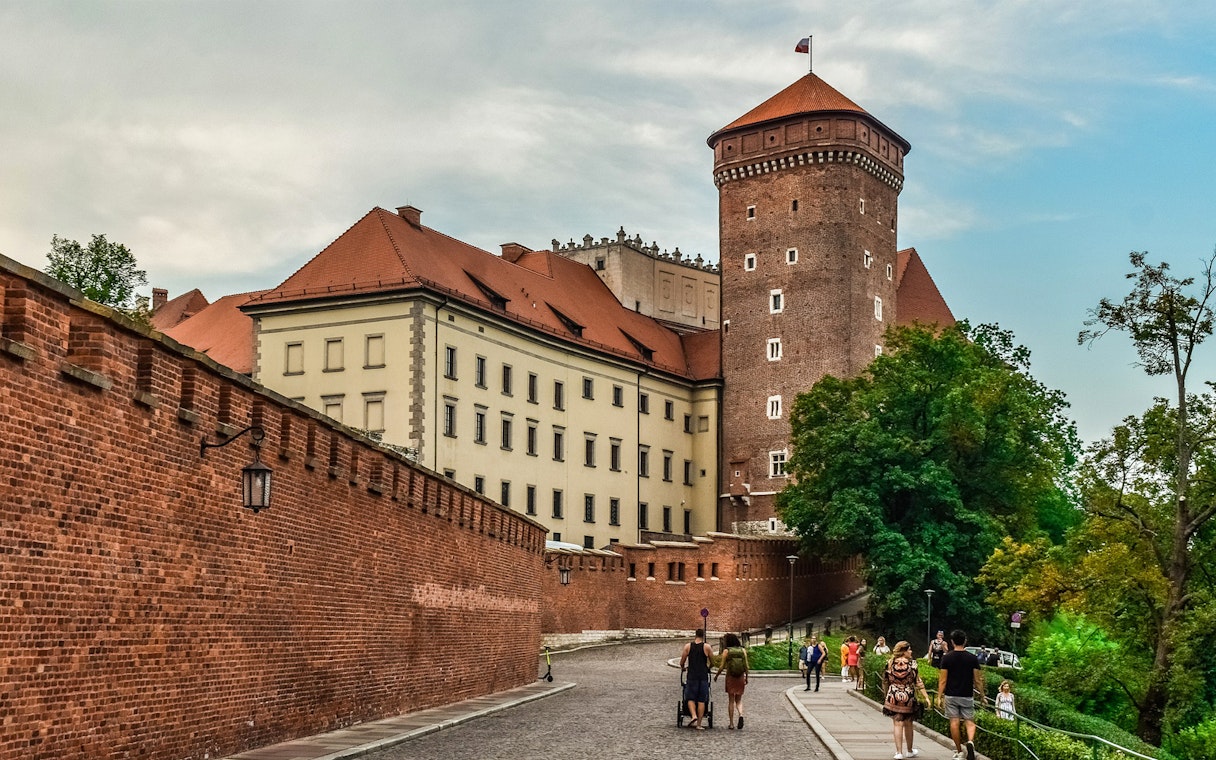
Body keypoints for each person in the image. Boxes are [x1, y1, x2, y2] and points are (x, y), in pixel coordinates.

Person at [937, 629, 986, 760]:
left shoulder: (946, 658)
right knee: (969, 721)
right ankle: (970, 741)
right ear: (965, 641)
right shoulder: (972, 658)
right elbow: (977, 680)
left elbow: (943, 680)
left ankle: (959, 751)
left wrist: (939, 696)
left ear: (952, 642)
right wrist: (982, 695)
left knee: (954, 722)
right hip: (967, 695)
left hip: (951, 695)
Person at [881, 640, 930, 760]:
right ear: (904, 651)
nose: (911, 651)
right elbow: (918, 682)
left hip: (893, 695)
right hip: (908, 696)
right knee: (908, 724)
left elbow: (885, 680)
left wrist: (886, 693)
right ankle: (909, 750)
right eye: (909, 649)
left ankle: (898, 752)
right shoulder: (912, 664)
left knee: (897, 724)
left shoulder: (890, 663)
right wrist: (926, 696)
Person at [714, 632, 750, 730]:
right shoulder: (743, 650)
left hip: (730, 677)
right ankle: (741, 714)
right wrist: (746, 677)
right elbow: (746, 666)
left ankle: (731, 724)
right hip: (740, 677)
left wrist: (716, 676)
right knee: (739, 700)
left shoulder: (726, 651)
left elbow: (721, 666)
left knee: (731, 701)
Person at [679, 628, 713, 730]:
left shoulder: (688, 646)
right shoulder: (707, 647)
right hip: (702, 676)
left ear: (695, 635)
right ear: (703, 636)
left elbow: (682, 661)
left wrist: (683, 668)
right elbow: (713, 661)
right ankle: (699, 724)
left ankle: (693, 715)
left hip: (692, 676)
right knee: (702, 700)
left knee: (690, 698)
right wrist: (708, 668)